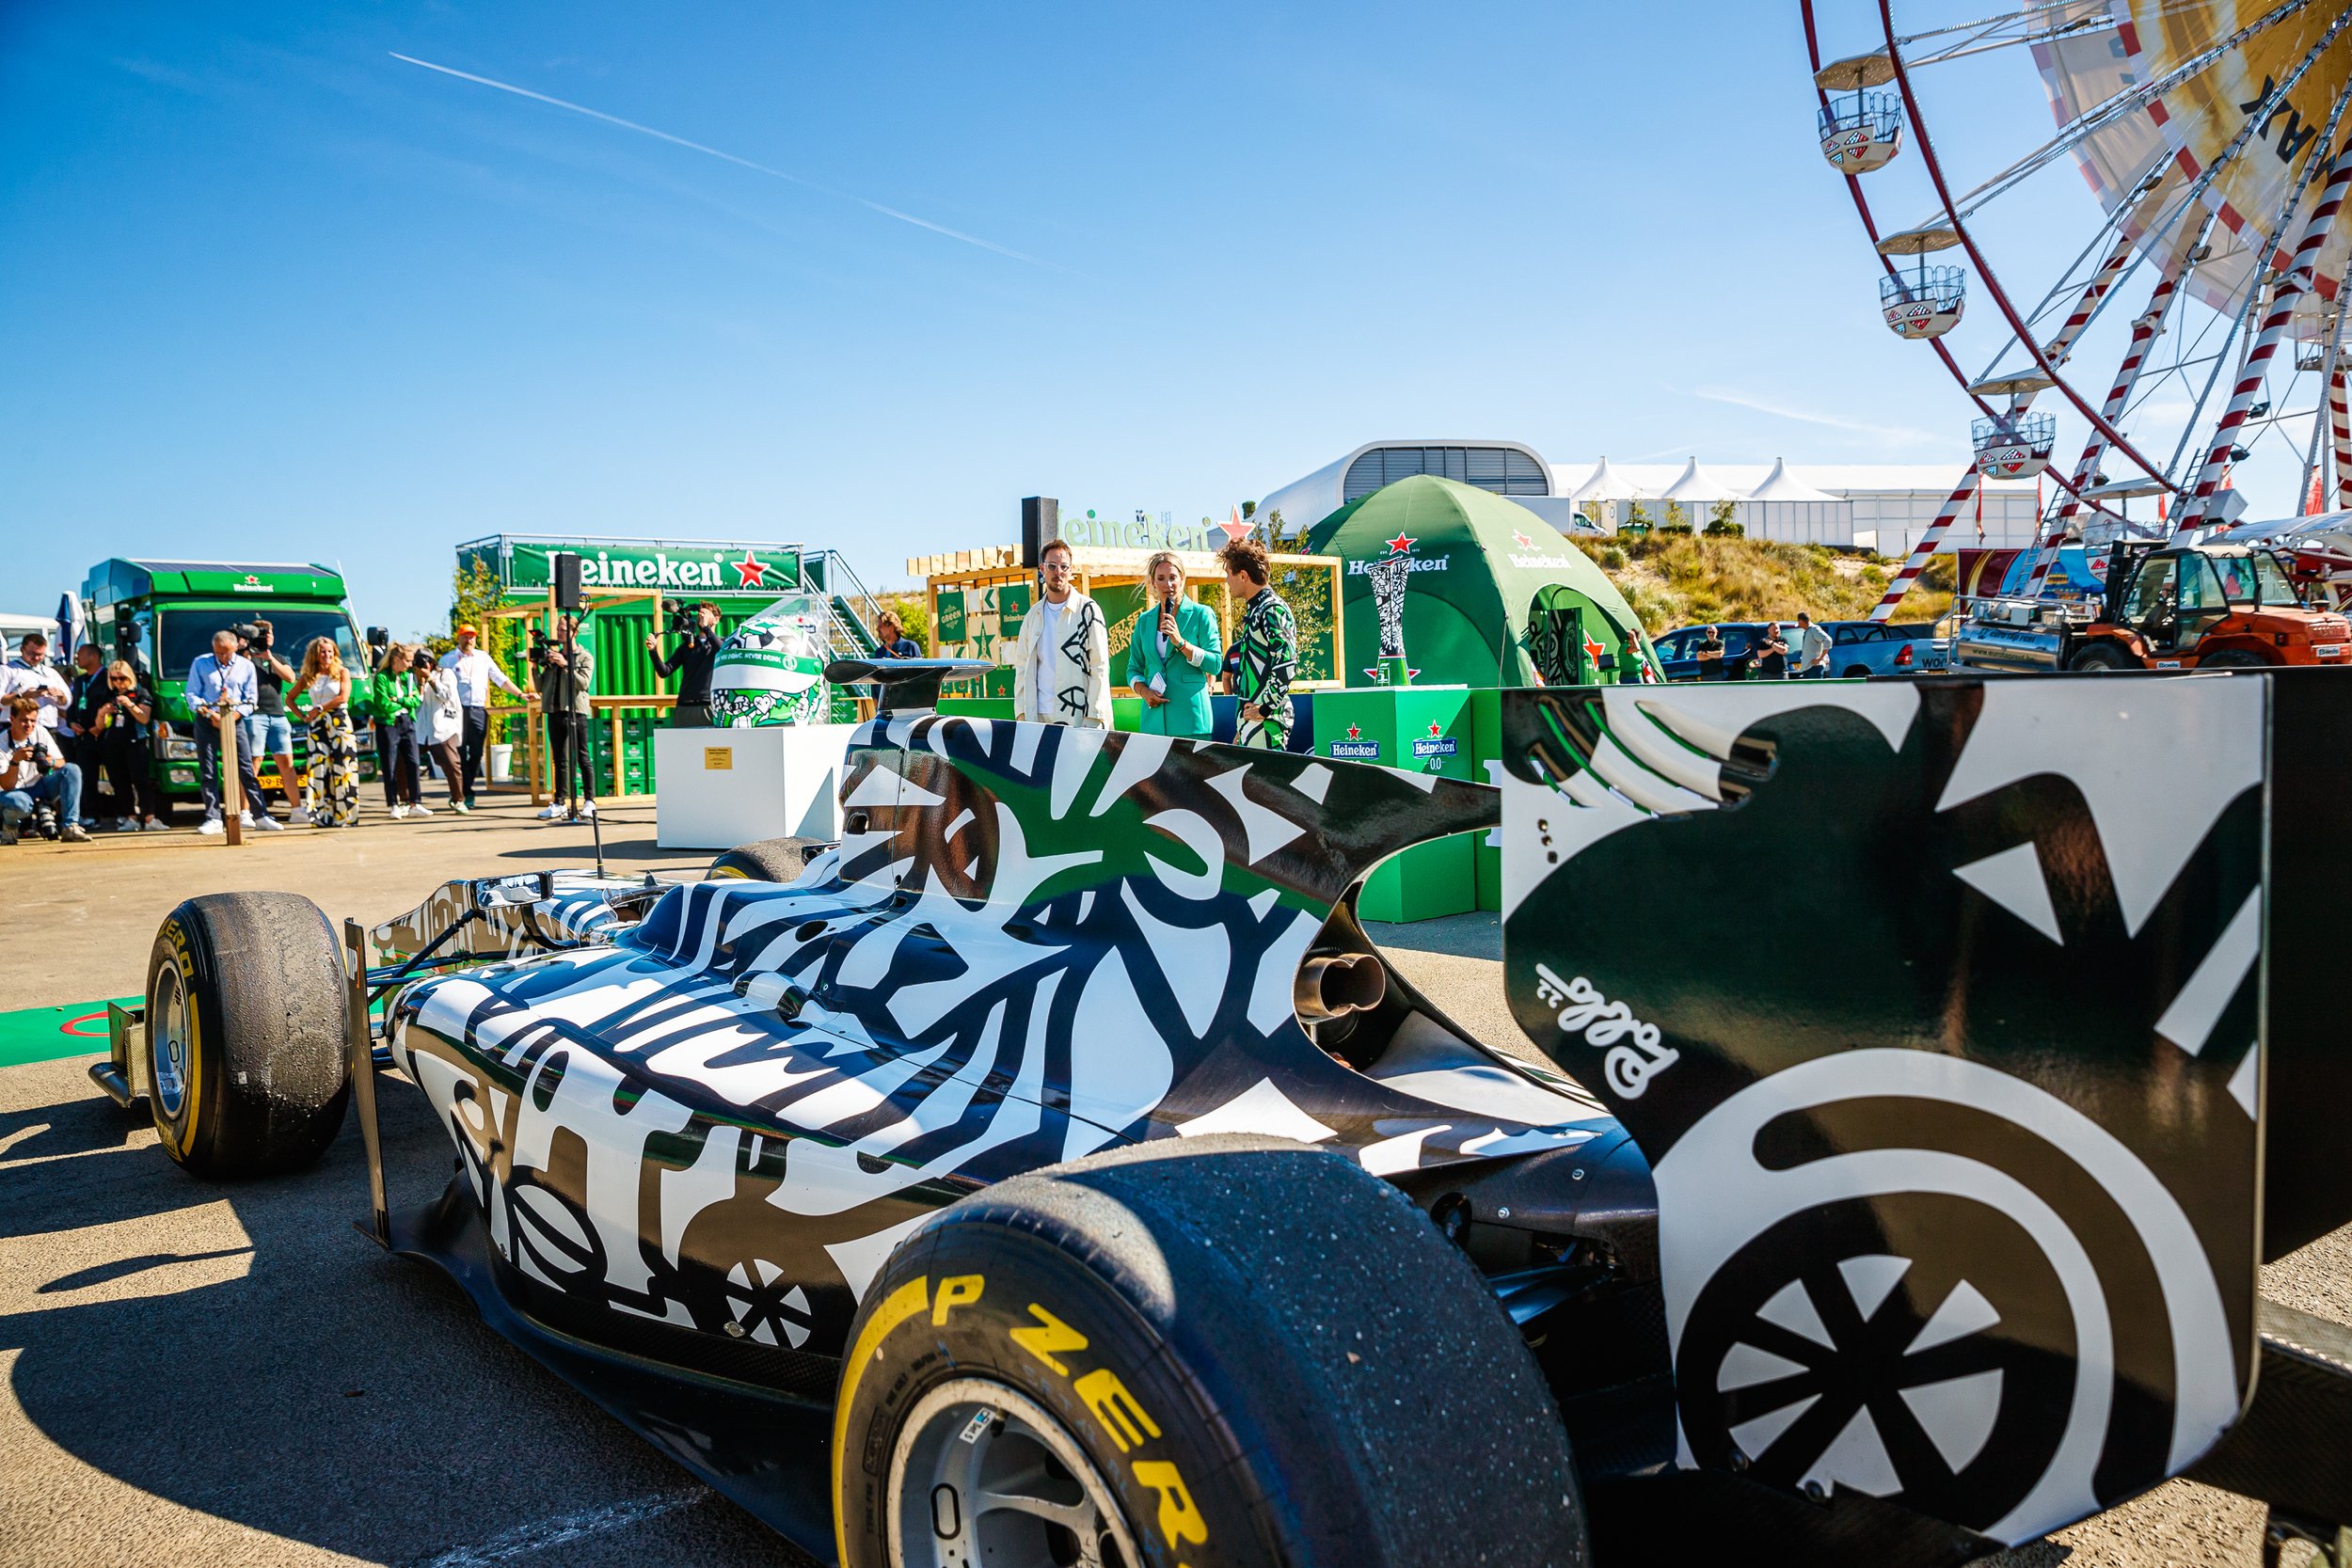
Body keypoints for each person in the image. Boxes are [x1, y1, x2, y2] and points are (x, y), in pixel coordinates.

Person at [1009, 539, 1110, 727]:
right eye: (1052, 566)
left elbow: (1100, 666)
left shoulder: (1088, 610)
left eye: (1064, 566)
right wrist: (1022, 712)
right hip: (1037, 717)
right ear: (1042, 569)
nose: (1058, 572)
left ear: (1071, 570)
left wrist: (1094, 715)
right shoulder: (1033, 615)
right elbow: (1022, 667)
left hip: (1078, 716)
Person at [187, 628, 277, 835]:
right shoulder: (200, 663)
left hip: (235, 721)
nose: (223, 657)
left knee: (246, 768)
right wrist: (210, 714)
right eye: (218, 653)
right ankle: (213, 818)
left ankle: (260, 815)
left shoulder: (245, 666)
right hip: (208, 720)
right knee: (208, 770)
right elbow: (192, 694)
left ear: (236, 646)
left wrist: (233, 716)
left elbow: (251, 698)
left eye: (226, 652)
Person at [1125, 550, 1220, 738]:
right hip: (1154, 723)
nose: (1167, 584)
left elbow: (1215, 664)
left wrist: (1181, 643)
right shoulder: (1144, 621)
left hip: (1191, 720)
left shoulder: (1202, 614)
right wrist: (1144, 691)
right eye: (1161, 578)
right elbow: (1133, 669)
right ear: (1153, 582)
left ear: (1182, 579)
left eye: (1172, 577)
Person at [1220, 538, 1298, 750]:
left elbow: (1287, 665)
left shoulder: (1272, 609)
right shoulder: (1258, 609)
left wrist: (1264, 709)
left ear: (1243, 576)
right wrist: (1243, 726)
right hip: (1254, 724)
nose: (1227, 581)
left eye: (1229, 573)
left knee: (1264, 783)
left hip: (1266, 724)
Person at [438, 625, 522, 813]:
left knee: (476, 753)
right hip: (456, 711)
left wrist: (520, 695)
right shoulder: (447, 660)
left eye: (472, 637)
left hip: (478, 709)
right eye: (465, 637)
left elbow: (500, 679)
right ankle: (463, 793)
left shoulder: (483, 658)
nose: (469, 640)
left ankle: (463, 789)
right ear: (458, 638)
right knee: (458, 752)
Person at [0, 695, 89, 844]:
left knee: (72, 769)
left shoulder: (40, 732)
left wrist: (50, 761)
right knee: (19, 803)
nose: (28, 725)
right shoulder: (2, 742)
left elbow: (61, 762)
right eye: (24, 720)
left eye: (32, 720)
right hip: (12, 794)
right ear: (12, 719)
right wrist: (15, 761)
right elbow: (7, 786)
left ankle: (70, 826)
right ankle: (9, 828)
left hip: (38, 786)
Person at [534, 614, 596, 822]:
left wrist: (565, 665)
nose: (559, 633)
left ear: (574, 632)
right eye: (558, 630)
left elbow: (583, 684)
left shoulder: (584, 657)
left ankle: (589, 801)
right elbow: (541, 687)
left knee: (582, 757)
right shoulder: (554, 656)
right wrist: (536, 667)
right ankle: (560, 802)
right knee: (559, 760)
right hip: (555, 711)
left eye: (562, 630)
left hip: (576, 711)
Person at [293, 637, 361, 828]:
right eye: (323, 651)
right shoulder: (309, 675)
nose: (327, 655)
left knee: (343, 768)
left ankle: (345, 815)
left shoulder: (341, 672)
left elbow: (342, 697)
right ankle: (321, 816)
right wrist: (303, 716)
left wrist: (319, 708)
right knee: (318, 769)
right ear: (315, 654)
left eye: (330, 651)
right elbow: (290, 699)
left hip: (338, 722)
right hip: (317, 725)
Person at [91, 659, 167, 832]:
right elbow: (100, 725)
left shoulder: (140, 693)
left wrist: (130, 704)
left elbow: (144, 717)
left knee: (141, 781)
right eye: (114, 678)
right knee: (119, 783)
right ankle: (129, 818)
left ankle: (149, 818)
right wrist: (103, 712)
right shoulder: (107, 694)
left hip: (135, 742)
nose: (119, 683)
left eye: (122, 678)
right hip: (112, 744)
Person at [242, 619, 304, 823]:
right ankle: (245, 812)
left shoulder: (278, 657)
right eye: (263, 632)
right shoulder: (245, 658)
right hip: (254, 715)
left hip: (277, 715)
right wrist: (248, 653)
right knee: (253, 762)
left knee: (287, 763)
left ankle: (296, 810)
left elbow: (290, 678)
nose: (267, 635)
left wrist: (270, 658)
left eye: (270, 632)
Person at [372, 644, 427, 818]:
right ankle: (394, 804)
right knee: (390, 764)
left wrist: (399, 699)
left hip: (407, 722)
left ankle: (415, 803)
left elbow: (417, 700)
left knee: (413, 762)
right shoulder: (381, 677)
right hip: (388, 723)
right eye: (408, 661)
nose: (410, 665)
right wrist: (403, 701)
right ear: (396, 659)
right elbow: (383, 703)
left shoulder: (408, 677)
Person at [645, 601, 721, 727]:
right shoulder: (687, 646)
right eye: (700, 614)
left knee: (712, 746)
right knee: (683, 745)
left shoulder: (722, 642)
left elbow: (721, 650)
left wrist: (707, 628)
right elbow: (664, 671)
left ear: (717, 619)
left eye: (706, 614)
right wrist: (652, 650)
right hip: (684, 705)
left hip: (709, 705)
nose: (701, 617)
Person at [64, 644, 110, 825]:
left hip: (104, 735)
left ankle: (125, 813)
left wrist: (100, 726)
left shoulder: (108, 677)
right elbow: (73, 705)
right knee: (86, 777)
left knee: (116, 775)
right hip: (83, 737)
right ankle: (90, 815)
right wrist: (72, 722)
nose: (77, 658)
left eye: (80, 654)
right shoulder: (80, 680)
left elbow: (112, 703)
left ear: (93, 656)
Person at [414, 655, 467, 812]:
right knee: (406, 763)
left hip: (443, 728)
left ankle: (458, 800)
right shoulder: (412, 678)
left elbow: (446, 695)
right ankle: (407, 801)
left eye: (426, 662)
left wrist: (430, 678)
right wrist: (420, 684)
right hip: (420, 729)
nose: (423, 666)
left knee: (452, 764)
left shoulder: (446, 674)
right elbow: (416, 702)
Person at [1, 633, 71, 733]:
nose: (36, 658)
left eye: (40, 655)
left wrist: (60, 695)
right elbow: (1, 700)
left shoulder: (51, 673)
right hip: (17, 728)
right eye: (32, 654)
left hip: (48, 728)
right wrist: (22, 696)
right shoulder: (7, 670)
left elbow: (67, 702)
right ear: (22, 650)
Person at [1791, 611, 1832, 679]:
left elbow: (1828, 640)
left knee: (1816, 689)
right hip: (1807, 668)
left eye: (1798, 621)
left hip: (1814, 668)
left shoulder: (1814, 629)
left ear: (1801, 621)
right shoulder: (1808, 631)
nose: (1798, 623)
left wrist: (1820, 658)